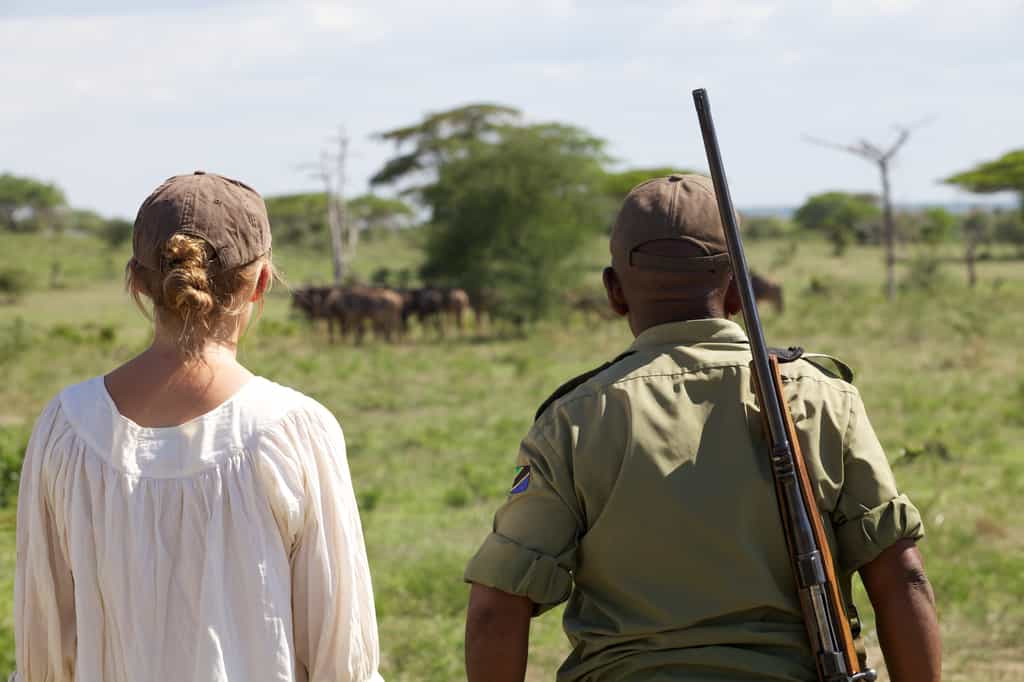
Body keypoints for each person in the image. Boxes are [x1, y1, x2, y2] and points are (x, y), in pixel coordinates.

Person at [463, 175, 940, 682]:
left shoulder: (574, 419)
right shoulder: (821, 397)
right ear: (739, 290)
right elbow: (902, 578)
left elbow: (498, 608)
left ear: (613, 292)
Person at [12, 172, 383, 682]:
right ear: (261, 283)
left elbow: (42, 648)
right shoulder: (296, 431)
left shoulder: (67, 427)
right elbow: (341, 656)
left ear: (137, 283)